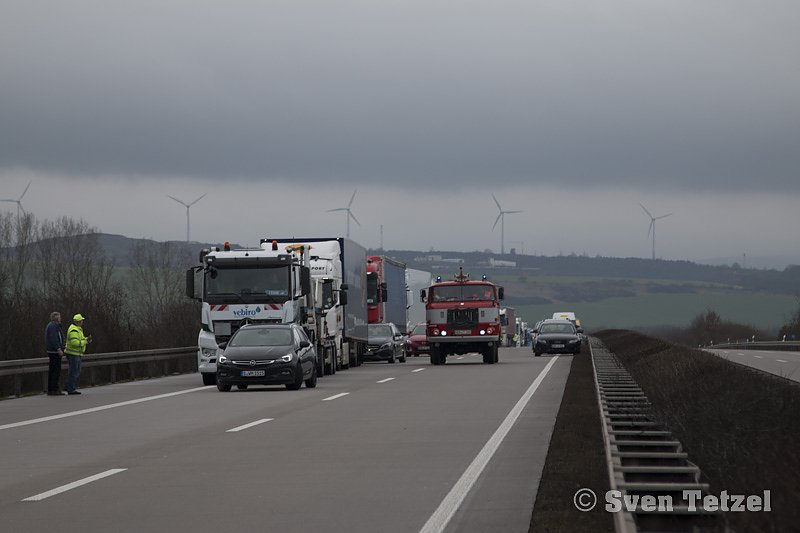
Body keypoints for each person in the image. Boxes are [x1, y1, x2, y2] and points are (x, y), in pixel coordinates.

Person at [64, 313, 92, 395]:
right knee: (75, 371)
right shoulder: (74, 330)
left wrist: (87, 339)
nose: (83, 322)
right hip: (73, 353)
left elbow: (80, 339)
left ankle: (68, 386)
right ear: (79, 321)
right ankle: (71, 389)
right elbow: (74, 343)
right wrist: (85, 342)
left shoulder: (78, 329)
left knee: (75, 371)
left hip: (76, 353)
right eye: (82, 320)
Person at [45, 311, 66, 395]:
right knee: (55, 371)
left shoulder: (56, 326)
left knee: (53, 370)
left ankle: (52, 389)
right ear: (56, 318)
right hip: (54, 352)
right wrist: (58, 349)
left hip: (53, 351)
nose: (60, 318)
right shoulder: (53, 326)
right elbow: (54, 338)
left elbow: (60, 337)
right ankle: (53, 389)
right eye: (59, 317)